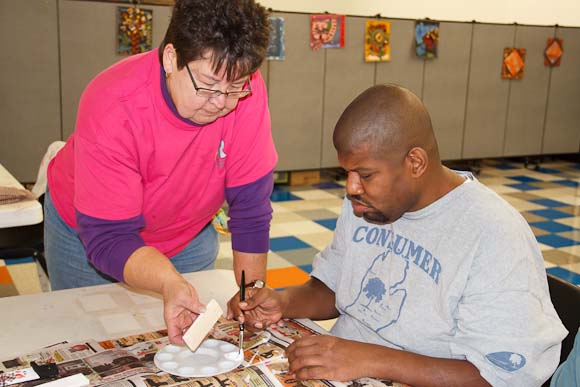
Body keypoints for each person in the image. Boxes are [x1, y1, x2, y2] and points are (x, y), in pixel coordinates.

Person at [238, 85, 567, 386]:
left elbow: (502, 376)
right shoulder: (368, 203)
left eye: (365, 175)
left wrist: (368, 358)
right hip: (344, 366)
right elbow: (336, 287)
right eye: (348, 174)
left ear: (415, 162)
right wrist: (283, 302)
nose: (352, 188)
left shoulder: (493, 233)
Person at [44, 0, 276, 344]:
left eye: (236, 86)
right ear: (171, 58)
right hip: (88, 237)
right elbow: (109, 237)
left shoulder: (243, 92)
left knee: (180, 346)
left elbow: (251, 207)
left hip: (186, 234)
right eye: (208, 85)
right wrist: (168, 280)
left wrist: (250, 293)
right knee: (88, 340)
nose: (221, 102)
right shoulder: (114, 102)